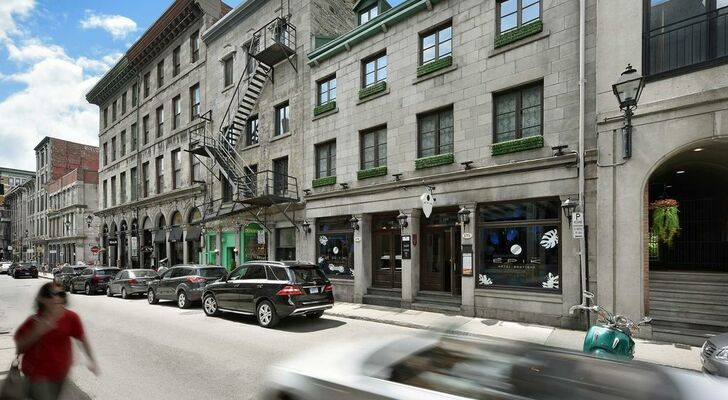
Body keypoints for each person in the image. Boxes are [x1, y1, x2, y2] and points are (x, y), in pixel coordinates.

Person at [13, 282, 99, 400]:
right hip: (38, 375)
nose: (57, 298)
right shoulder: (34, 321)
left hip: (61, 374)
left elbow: (82, 339)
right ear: (42, 299)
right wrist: (36, 332)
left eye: (61, 294)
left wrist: (92, 360)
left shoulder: (71, 317)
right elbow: (19, 347)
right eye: (51, 294)